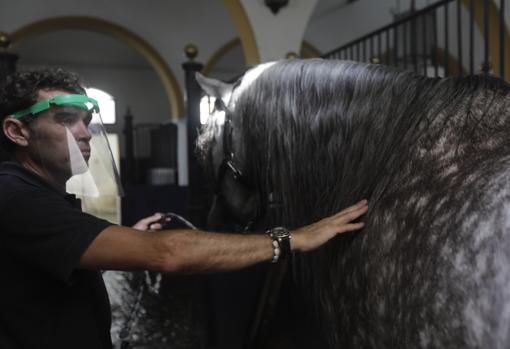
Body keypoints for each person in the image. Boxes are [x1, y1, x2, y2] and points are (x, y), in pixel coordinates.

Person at [0, 67, 368, 349]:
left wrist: (131, 241)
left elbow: (59, 258)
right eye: (65, 120)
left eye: (84, 120)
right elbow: (170, 253)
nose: (83, 133)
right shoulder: (14, 195)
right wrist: (292, 238)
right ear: (17, 131)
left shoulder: (37, 194)